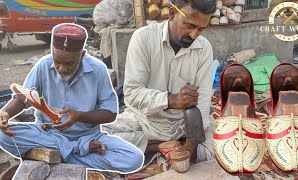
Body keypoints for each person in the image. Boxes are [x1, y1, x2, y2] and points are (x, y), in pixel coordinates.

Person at [0, 23, 144, 173]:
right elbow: (23, 98)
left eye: (69, 63)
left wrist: (79, 116)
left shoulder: (98, 70)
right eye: (57, 61)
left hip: (87, 136)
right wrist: (5, 113)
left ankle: (59, 156)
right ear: (52, 52)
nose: (62, 69)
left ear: (82, 56)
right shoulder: (43, 65)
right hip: (48, 134)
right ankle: (78, 151)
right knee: (2, 136)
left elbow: (110, 113)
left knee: (133, 159)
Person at [104, 0, 216, 164]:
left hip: (182, 125)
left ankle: (164, 147)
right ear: (172, 14)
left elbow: (204, 103)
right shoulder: (143, 38)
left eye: (201, 29)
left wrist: (190, 146)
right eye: (189, 26)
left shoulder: (204, 48)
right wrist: (172, 100)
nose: (194, 35)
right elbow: (131, 94)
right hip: (146, 122)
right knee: (101, 136)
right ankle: (155, 146)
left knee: (220, 150)